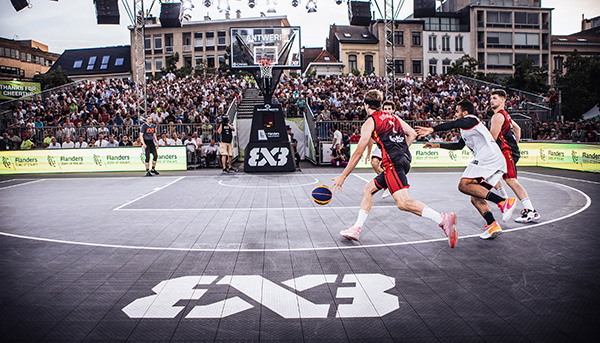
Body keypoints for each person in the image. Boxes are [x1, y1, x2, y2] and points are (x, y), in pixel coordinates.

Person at [331, 89, 458, 248]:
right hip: (402, 160)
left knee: (403, 203)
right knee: (368, 189)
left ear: (366, 105)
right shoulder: (394, 117)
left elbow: (358, 152)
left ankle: (442, 218)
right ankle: (356, 228)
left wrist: (343, 176)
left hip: (392, 162)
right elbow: (411, 133)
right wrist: (402, 150)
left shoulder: (370, 121)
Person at [417, 100, 518, 239]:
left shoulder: (471, 120)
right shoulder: (467, 129)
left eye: (457, 111)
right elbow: (459, 146)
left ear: (464, 113)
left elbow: (454, 123)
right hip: (493, 160)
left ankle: (503, 202)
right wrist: (437, 146)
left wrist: (432, 129)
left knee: (463, 185)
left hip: (488, 158)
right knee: (475, 197)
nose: (455, 114)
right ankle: (492, 224)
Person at [489, 89, 540, 223]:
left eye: (495, 98)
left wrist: (510, 147)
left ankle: (530, 211)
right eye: (491, 98)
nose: (491, 100)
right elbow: (518, 129)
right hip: (507, 151)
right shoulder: (505, 115)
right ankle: (505, 199)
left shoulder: (498, 116)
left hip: (506, 151)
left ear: (502, 100)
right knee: (493, 174)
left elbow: (492, 138)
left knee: (511, 180)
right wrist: (515, 144)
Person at [365, 100, 397, 199]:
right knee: (374, 163)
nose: (387, 111)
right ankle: (387, 183)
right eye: (385, 109)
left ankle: (393, 184)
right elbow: (370, 137)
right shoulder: (377, 120)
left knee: (393, 169)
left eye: (389, 109)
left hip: (393, 148)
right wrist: (368, 153)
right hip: (380, 146)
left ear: (393, 110)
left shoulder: (396, 121)